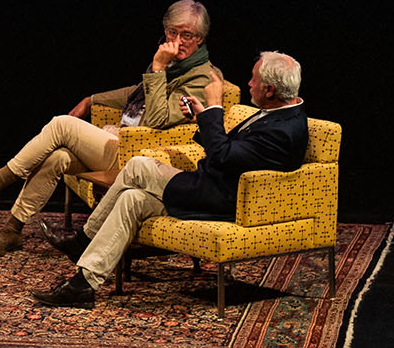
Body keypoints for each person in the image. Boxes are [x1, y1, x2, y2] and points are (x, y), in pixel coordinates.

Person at [30, 50, 310, 308]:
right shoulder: (279, 114)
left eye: (254, 79)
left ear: (270, 89)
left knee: (139, 165)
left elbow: (223, 156)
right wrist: (201, 118)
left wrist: (214, 107)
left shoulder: (284, 131)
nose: (248, 83)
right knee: (132, 199)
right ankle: (83, 285)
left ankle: (83, 239)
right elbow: (233, 152)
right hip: (212, 187)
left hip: (221, 200)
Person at [0, 0, 216, 260]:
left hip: (138, 157)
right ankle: (12, 229)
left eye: (187, 35)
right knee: (57, 157)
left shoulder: (201, 76)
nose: (177, 41)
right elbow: (138, 93)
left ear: (200, 38)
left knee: (62, 124)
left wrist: (158, 67)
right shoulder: (174, 65)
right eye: (172, 32)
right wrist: (92, 100)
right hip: (117, 140)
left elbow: (156, 118)